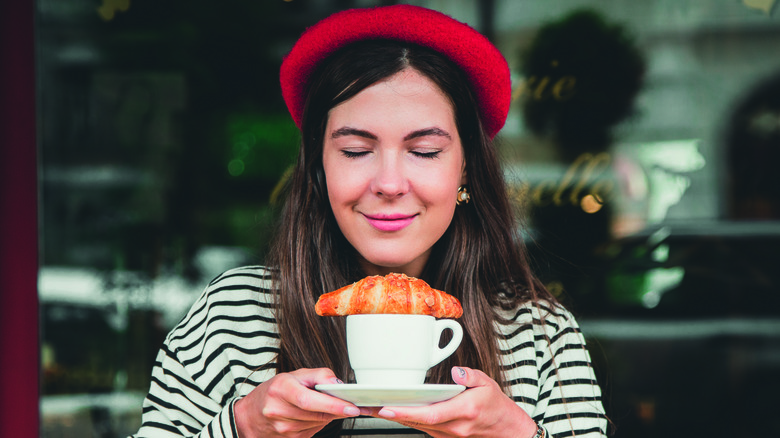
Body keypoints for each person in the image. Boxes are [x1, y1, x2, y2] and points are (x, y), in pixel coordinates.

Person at [131, 5, 608, 438]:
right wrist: (242, 427)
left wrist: (517, 435)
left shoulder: (537, 331)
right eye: (356, 151)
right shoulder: (234, 317)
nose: (389, 182)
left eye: (424, 151)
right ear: (319, 167)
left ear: (465, 168)